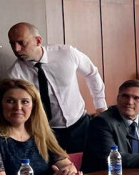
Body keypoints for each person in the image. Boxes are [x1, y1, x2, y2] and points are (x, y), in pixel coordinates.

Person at [6, 22, 107, 153]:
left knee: (90, 162)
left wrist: (101, 106)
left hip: (81, 124)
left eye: (21, 43)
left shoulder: (67, 53)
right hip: (47, 132)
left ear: (38, 41)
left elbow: (91, 73)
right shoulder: (15, 74)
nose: (16, 49)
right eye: (12, 44)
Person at [0, 78, 81, 175]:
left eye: (25, 102)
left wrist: (70, 174)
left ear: (34, 106)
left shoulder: (41, 133)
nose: (18, 107)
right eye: (10, 101)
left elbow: (66, 164)